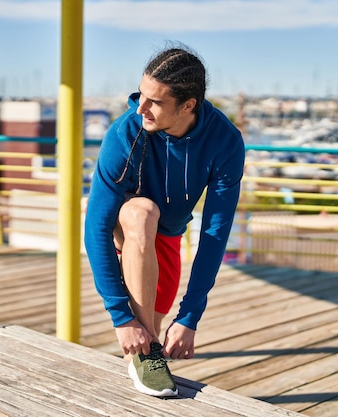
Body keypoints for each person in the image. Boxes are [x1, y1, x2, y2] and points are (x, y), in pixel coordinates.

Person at [84, 43, 245, 397]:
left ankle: (146, 358)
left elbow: (215, 232)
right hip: (125, 231)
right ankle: (146, 355)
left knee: (145, 345)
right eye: (141, 94)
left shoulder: (225, 141)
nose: (139, 107)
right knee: (141, 212)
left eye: (154, 101)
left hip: (168, 237)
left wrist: (189, 316)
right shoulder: (125, 133)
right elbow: (95, 226)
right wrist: (121, 317)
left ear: (188, 105)